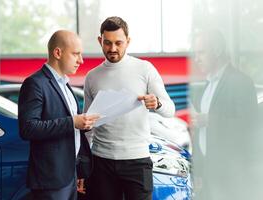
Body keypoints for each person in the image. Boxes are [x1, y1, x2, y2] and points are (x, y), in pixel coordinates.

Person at [83, 16, 175, 200]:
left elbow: (170, 110)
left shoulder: (145, 69)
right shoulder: (92, 77)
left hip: (137, 161)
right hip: (101, 162)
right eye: (107, 43)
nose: (113, 49)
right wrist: (83, 166)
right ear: (100, 40)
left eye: (118, 43)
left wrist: (157, 103)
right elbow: (88, 126)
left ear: (128, 41)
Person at [18, 30, 99, 200]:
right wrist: (72, 123)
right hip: (50, 181)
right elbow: (28, 128)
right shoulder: (35, 83)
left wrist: (83, 124)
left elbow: (71, 129)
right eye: (76, 54)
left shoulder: (65, 85)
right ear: (57, 53)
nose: (81, 60)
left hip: (70, 176)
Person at [190, 29, 258, 200]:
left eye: (201, 52)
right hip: (209, 177)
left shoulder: (240, 82)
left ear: (218, 51)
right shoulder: (207, 86)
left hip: (232, 179)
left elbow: (249, 125)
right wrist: (197, 170)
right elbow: (201, 133)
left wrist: (211, 120)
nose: (196, 59)